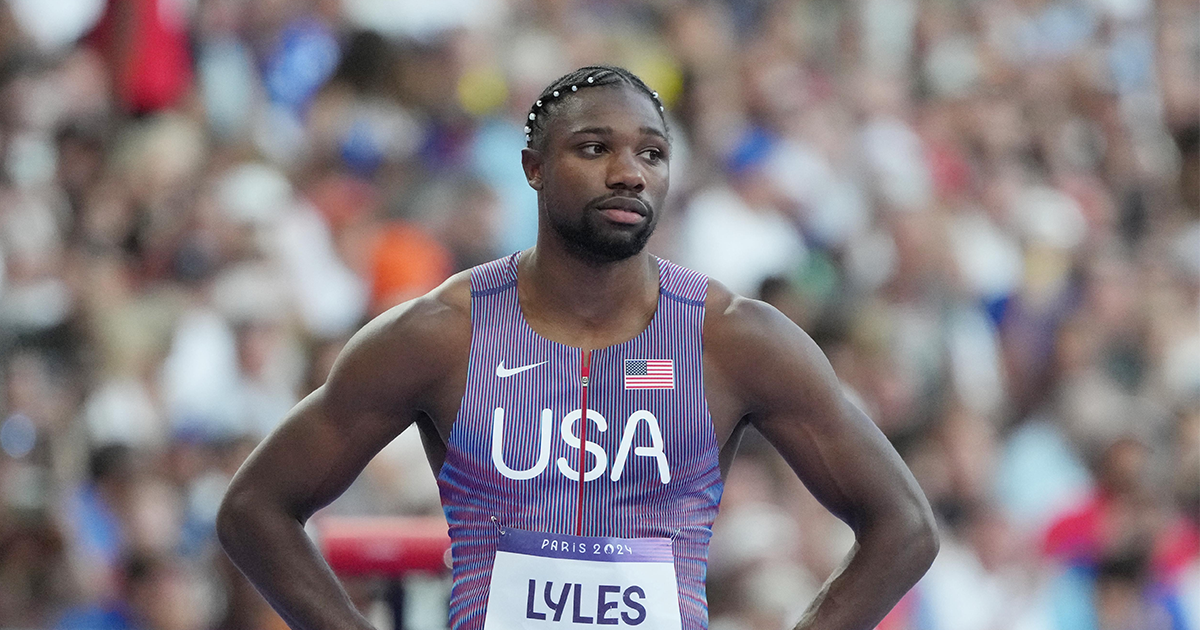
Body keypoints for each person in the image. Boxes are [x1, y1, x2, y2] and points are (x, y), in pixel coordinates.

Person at [217, 65, 939, 630]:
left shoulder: (733, 337)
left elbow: (904, 526)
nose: (629, 172)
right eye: (594, 148)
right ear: (532, 167)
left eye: (652, 154)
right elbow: (254, 509)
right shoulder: (442, 333)